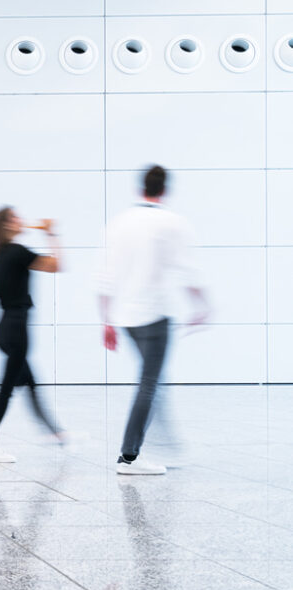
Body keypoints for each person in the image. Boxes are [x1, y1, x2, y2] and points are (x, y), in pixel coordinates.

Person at [98, 165, 208, 476]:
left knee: (154, 383)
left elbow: (105, 276)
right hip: (155, 316)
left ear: (140, 188)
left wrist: (107, 320)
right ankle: (129, 456)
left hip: (126, 317)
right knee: (150, 385)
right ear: (165, 190)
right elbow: (188, 271)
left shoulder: (120, 223)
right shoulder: (171, 223)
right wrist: (203, 306)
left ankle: (163, 444)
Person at [0, 208, 66, 463]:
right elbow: (57, 265)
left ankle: (56, 433)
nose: (21, 220)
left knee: (30, 382)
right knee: (6, 389)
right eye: (14, 218)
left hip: (2, 328)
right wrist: (51, 234)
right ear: (5, 226)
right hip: (16, 326)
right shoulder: (18, 252)